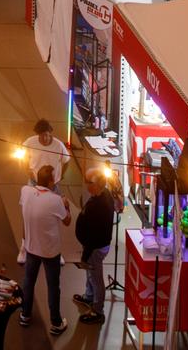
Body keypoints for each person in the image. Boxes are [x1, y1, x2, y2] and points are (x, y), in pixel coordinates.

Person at [19, 163, 72, 335]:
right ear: (50, 182)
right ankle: (56, 322)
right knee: (53, 286)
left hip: (31, 246)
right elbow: (67, 221)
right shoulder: (55, 200)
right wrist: (66, 205)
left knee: (29, 281)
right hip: (50, 251)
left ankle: (25, 314)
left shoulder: (25, 191)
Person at [74, 175, 118, 323]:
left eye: (90, 183)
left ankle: (98, 311)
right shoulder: (104, 195)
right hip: (96, 245)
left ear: (97, 186)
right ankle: (89, 297)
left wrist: (85, 256)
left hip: (95, 248)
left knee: (96, 278)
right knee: (90, 274)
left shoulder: (100, 205)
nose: (87, 185)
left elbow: (93, 235)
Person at [23, 118, 71, 186]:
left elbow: (66, 161)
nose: (44, 138)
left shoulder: (59, 145)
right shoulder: (30, 142)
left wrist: (61, 175)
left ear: (50, 133)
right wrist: (27, 170)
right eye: (41, 136)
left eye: (46, 135)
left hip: (52, 183)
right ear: (38, 134)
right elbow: (23, 157)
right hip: (34, 181)